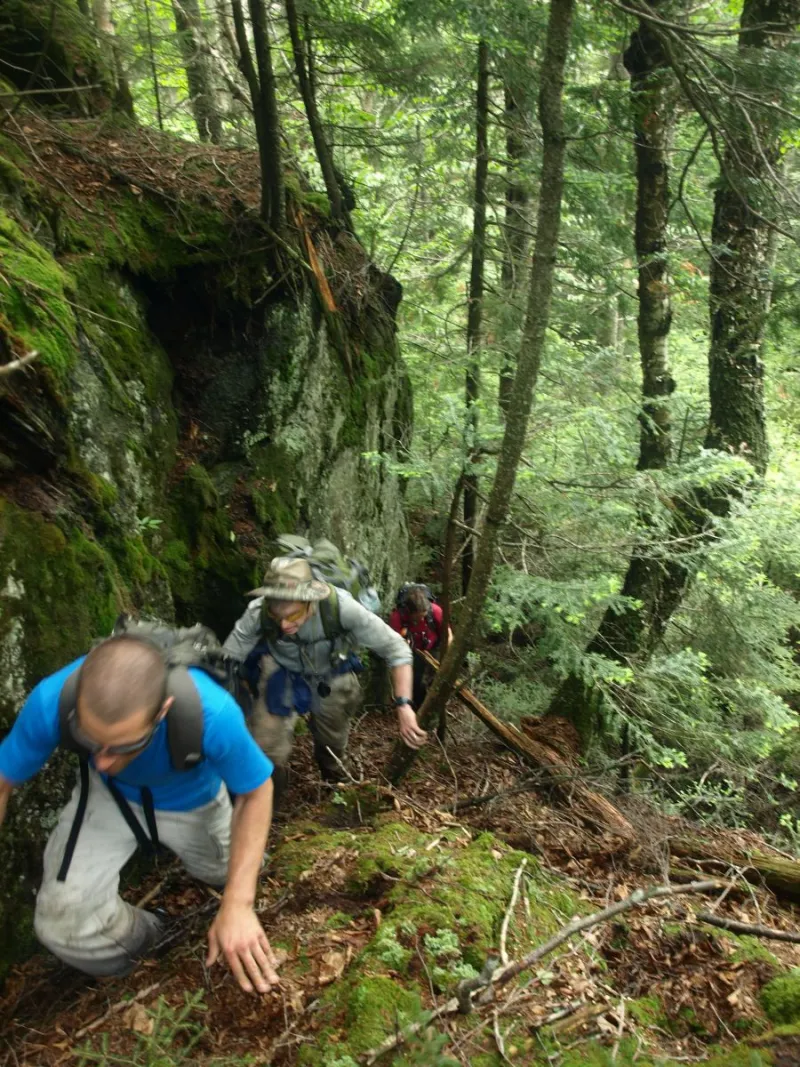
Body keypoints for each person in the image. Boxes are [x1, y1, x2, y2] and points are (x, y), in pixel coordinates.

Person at [0, 635, 280, 994]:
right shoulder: (52, 700)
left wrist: (239, 904)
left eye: (122, 746)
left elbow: (257, 791)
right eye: (88, 739)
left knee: (235, 874)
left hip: (194, 801)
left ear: (162, 710)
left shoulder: (212, 711)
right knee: (62, 924)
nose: (102, 760)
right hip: (106, 797)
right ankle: (156, 941)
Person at [223, 557, 427, 785]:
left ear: (311, 602)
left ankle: (335, 786)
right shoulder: (258, 611)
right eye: (275, 616)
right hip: (281, 669)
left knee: (331, 746)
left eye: (292, 616)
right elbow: (228, 658)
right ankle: (268, 795)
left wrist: (403, 705)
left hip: (332, 672)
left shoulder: (341, 608)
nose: (283, 626)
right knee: (265, 747)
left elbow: (396, 648)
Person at [388, 584, 451, 709]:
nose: (422, 618)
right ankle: (419, 709)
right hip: (413, 651)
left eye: (424, 615)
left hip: (434, 648)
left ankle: (436, 706)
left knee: (436, 680)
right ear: (410, 612)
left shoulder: (436, 611)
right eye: (418, 616)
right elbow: (394, 643)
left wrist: (447, 659)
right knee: (416, 681)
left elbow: (448, 636)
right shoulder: (398, 617)